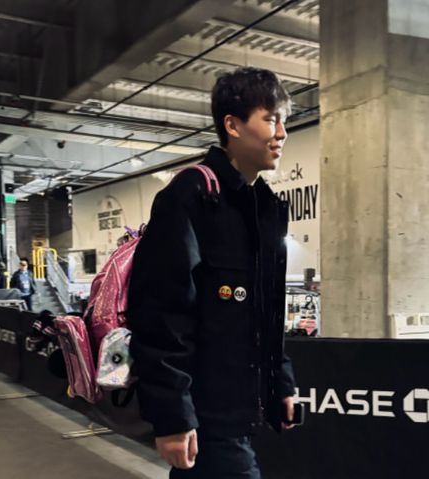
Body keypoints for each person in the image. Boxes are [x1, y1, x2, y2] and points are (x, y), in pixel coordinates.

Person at [127, 67, 297, 479]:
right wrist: (172, 416)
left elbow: (267, 312)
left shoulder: (264, 207)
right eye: (270, 120)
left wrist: (281, 382)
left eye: (284, 122)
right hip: (206, 416)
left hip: (243, 412)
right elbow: (161, 315)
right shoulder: (191, 196)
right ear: (232, 126)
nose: (281, 133)